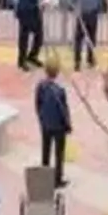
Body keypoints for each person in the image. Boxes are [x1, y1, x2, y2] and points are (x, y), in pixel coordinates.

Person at [34, 59, 71, 189]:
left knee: (45, 150)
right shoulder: (60, 90)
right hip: (59, 126)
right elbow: (63, 110)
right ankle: (57, 179)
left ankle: (44, 178)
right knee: (59, 154)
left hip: (45, 124)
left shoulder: (40, 86)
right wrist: (68, 125)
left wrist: (42, 118)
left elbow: (37, 104)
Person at [69, 0, 105, 71]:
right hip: (93, 15)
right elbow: (100, 2)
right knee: (91, 38)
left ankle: (77, 62)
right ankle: (90, 60)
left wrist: (75, 7)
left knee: (78, 39)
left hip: (82, 14)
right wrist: (98, 10)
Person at [17, 0, 44, 70]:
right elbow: (25, 3)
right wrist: (38, 5)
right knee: (24, 38)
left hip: (36, 14)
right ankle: (21, 60)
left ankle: (32, 56)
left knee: (39, 36)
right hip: (26, 14)